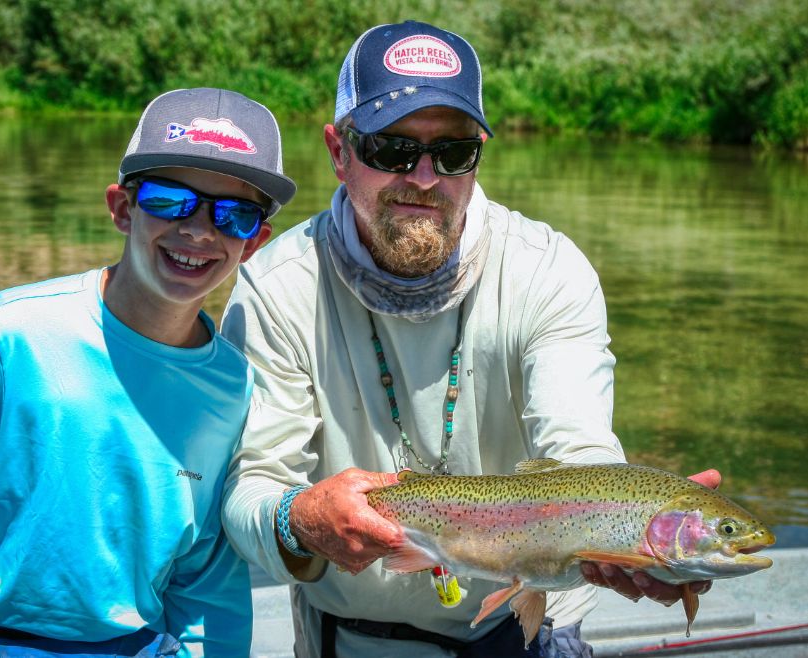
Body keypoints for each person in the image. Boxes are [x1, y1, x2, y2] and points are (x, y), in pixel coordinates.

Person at [220, 21, 715, 658]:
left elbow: (578, 454)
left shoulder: (549, 271)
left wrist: (634, 533)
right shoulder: (275, 288)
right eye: (391, 149)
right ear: (338, 152)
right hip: (353, 636)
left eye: (453, 153)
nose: (424, 178)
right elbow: (250, 491)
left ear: (478, 154)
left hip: (531, 622)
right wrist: (299, 519)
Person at [0, 87, 295, 658]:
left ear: (253, 242)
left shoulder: (234, 384)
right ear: (123, 209)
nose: (200, 231)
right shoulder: (8, 333)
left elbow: (206, 579)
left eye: (234, 214)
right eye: (169, 200)